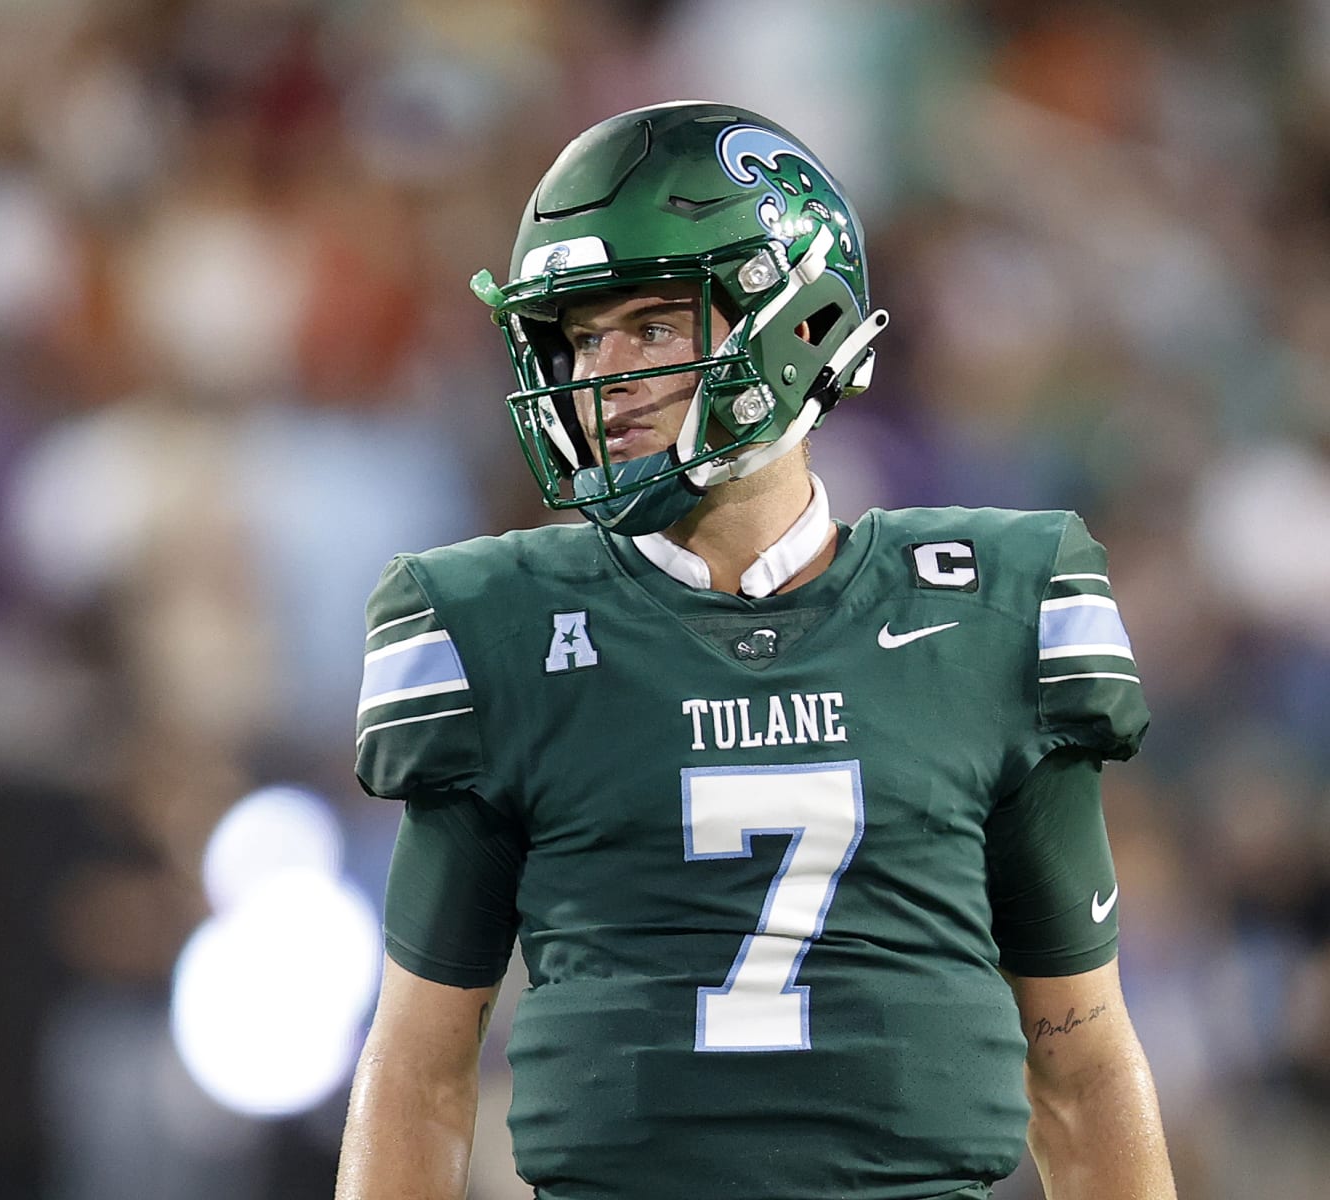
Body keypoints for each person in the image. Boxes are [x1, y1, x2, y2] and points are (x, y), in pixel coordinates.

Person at [334, 101, 1176, 1200]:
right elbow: (418, 1069)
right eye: (583, 336)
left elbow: (1082, 1069)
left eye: (650, 328)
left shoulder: (989, 616)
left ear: (796, 320)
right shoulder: (503, 628)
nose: (606, 380)